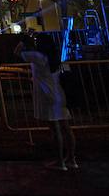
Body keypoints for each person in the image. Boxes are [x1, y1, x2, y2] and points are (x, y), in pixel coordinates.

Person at [15, 34, 76, 171]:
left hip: (47, 95)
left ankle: (60, 162)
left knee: (55, 130)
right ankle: (71, 159)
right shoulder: (56, 58)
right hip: (60, 94)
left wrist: (23, 41)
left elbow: (17, 52)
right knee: (66, 128)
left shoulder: (38, 57)